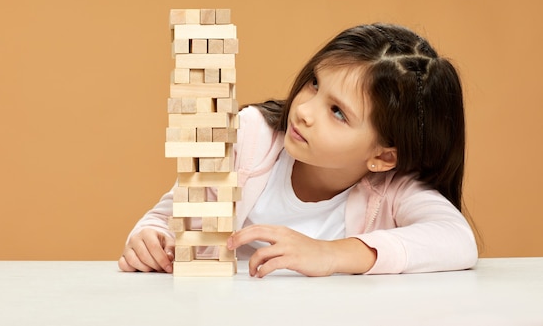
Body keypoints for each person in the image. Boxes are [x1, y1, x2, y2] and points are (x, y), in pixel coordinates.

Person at [118, 23, 478, 277]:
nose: (304, 111)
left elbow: (457, 240)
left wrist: (331, 254)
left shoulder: (391, 191)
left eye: (337, 112)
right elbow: (166, 217)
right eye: (313, 83)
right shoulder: (248, 139)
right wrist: (151, 239)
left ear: (383, 156)